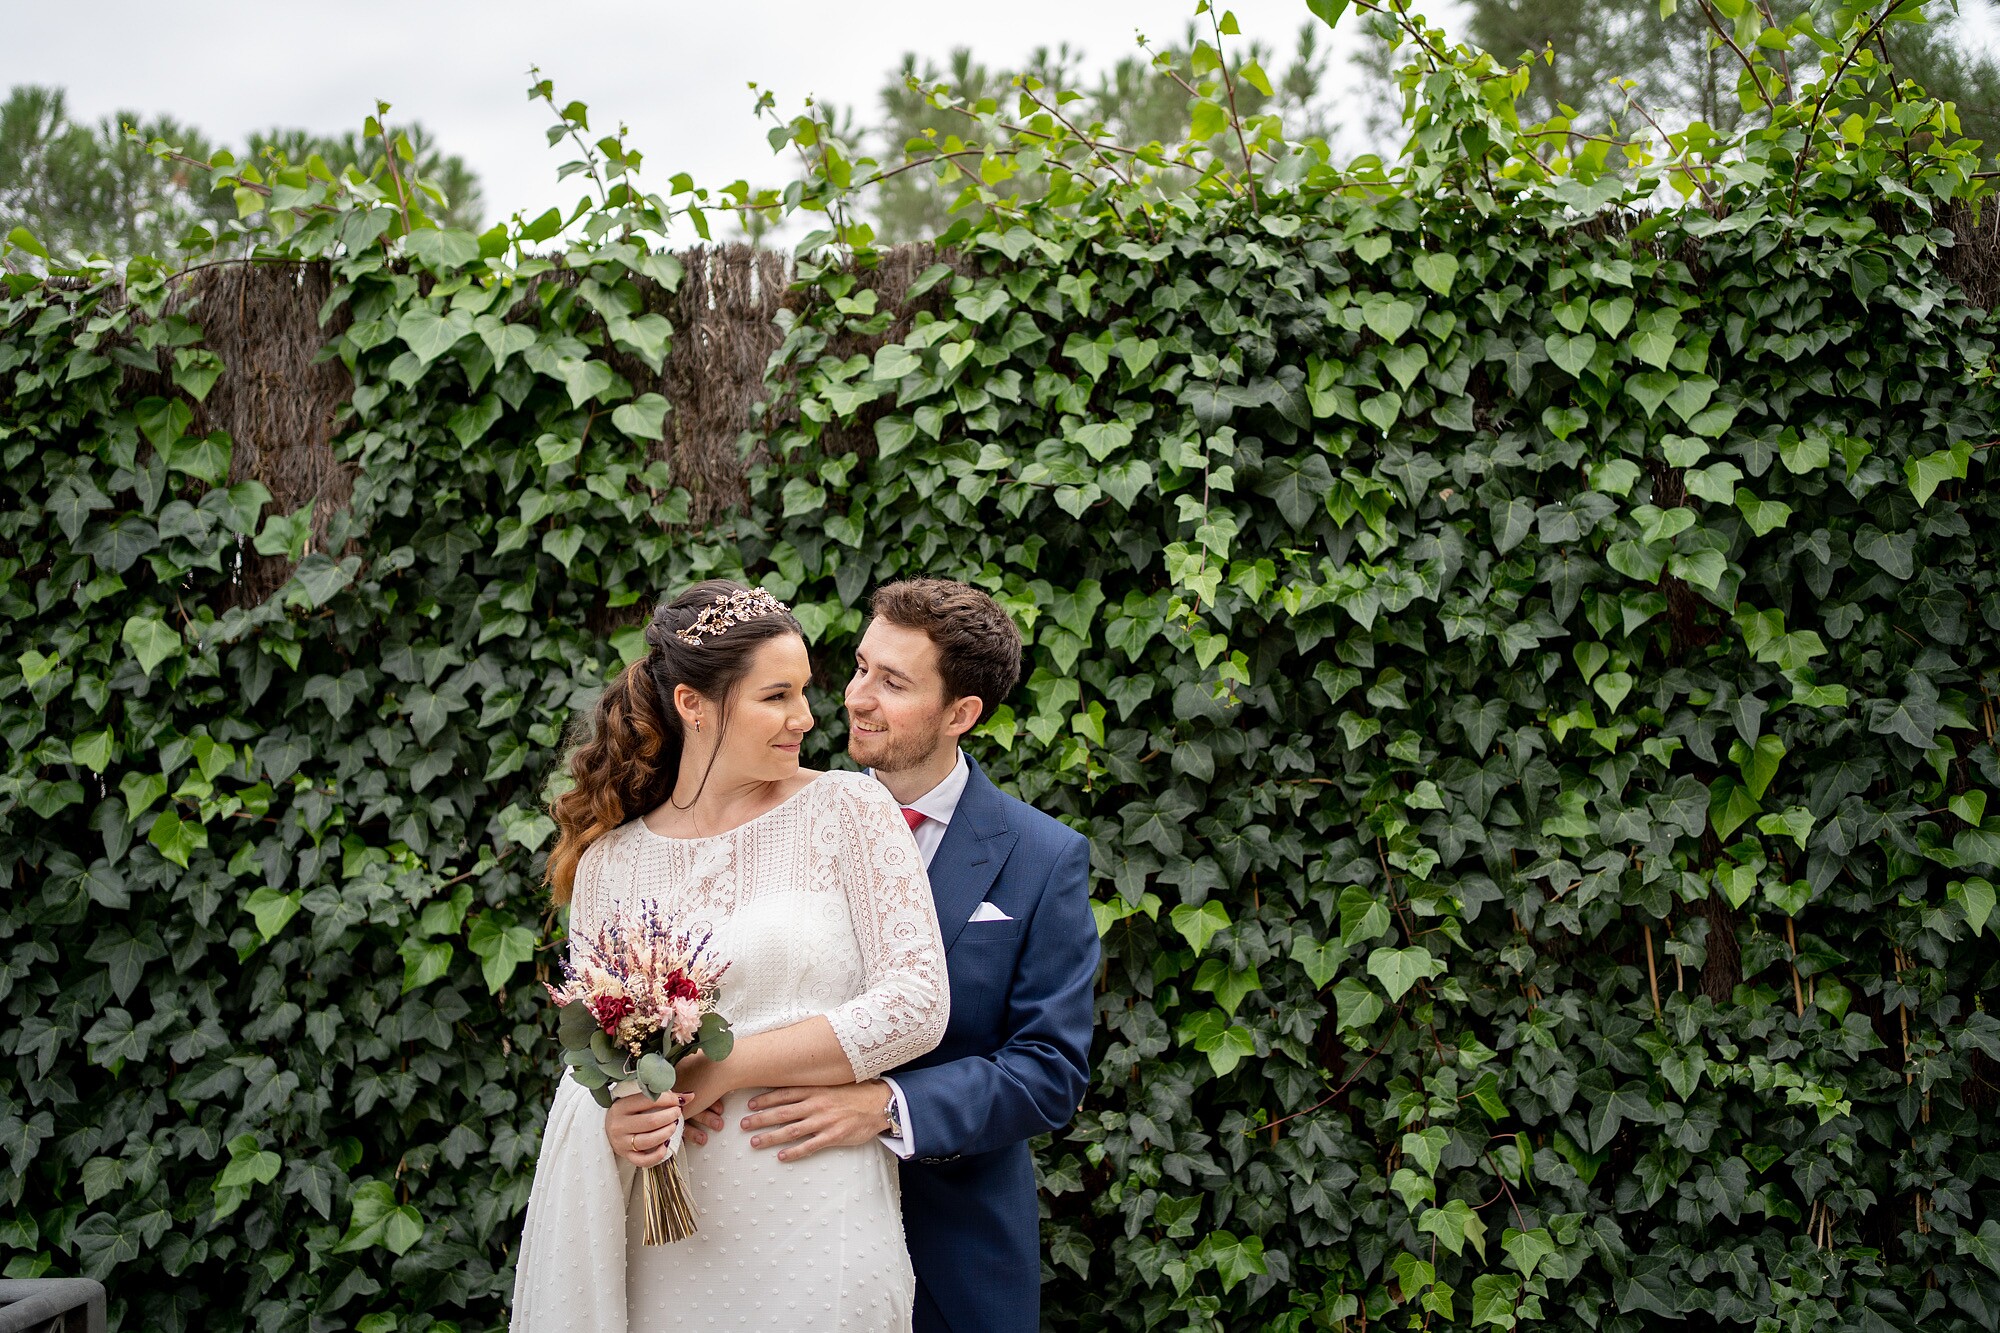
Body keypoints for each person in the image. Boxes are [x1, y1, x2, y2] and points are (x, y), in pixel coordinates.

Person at [509, 580, 950, 1333]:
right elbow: (594, 1064)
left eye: (806, 691)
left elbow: (917, 1005)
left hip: (821, 1222)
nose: (806, 717)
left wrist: (730, 1062)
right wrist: (617, 1122)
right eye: (776, 695)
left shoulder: (849, 809)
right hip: (669, 1235)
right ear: (693, 703)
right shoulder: (611, 865)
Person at [705, 578, 1100, 1333]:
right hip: (774, 1228)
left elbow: (1050, 1068)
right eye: (859, 667)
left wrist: (886, 1106)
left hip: (953, 1256)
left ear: (961, 714)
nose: (856, 697)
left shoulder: (1043, 857)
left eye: (893, 682)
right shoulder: (781, 818)